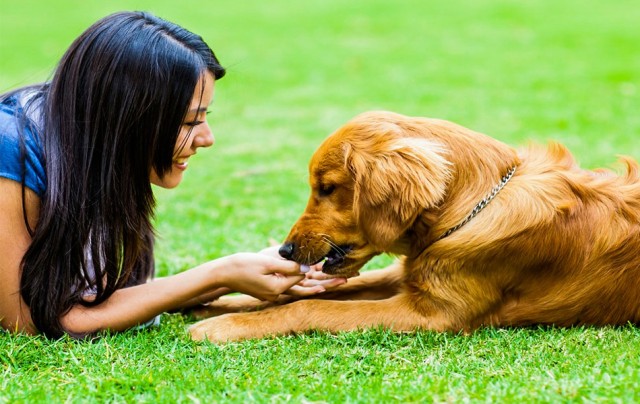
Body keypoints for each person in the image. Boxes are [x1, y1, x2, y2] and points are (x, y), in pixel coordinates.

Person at [0, 11, 344, 339]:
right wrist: (219, 273)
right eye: (189, 122)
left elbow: (96, 298)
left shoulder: (88, 150)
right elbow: (27, 320)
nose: (207, 139)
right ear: (127, 120)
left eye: (204, 117)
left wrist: (238, 275)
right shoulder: (11, 148)